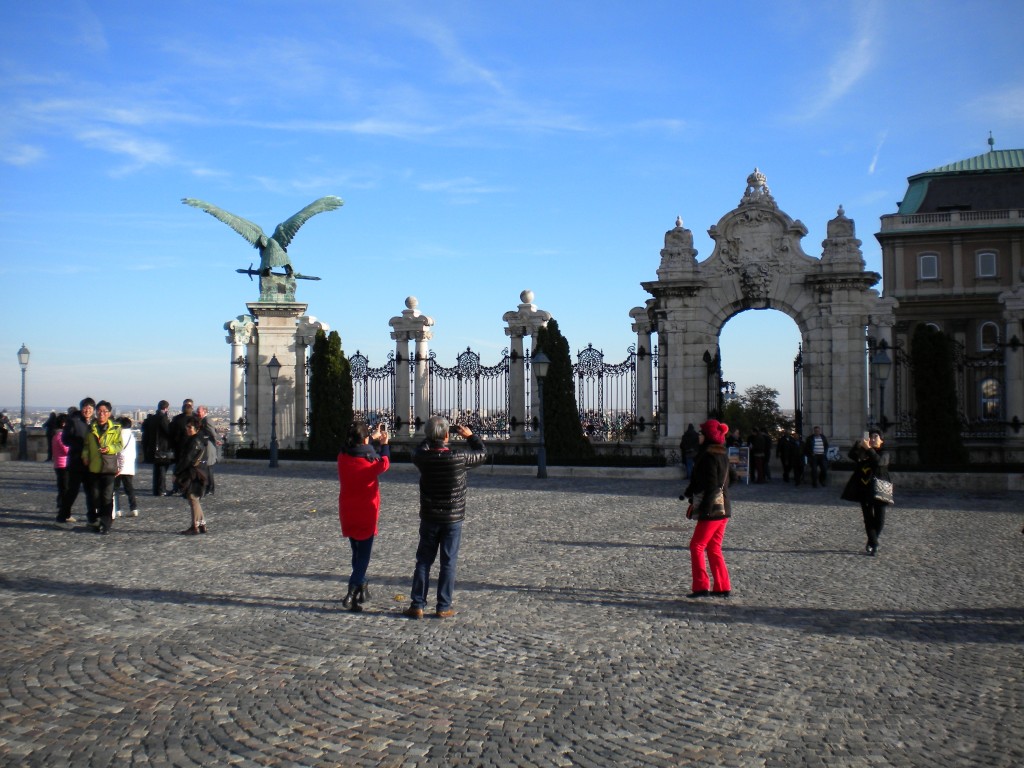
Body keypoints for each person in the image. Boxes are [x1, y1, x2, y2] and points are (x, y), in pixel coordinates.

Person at [403, 416, 487, 619]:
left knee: (423, 561)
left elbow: (419, 449)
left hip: (429, 516)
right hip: (452, 518)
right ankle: (443, 606)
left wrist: (432, 436)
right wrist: (471, 436)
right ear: (447, 435)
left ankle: (417, 604)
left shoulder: (422, 457)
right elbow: (482, 453)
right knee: (448, 562)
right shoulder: (459, 457)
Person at [337, 422, 391, 612]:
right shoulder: (371, 462)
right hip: (366, 510)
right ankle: (352, 591)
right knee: (364, 555)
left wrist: (371, 438)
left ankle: (362, 586)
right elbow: (385, 462)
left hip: (347, 510)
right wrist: (384, 444)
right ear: (365, 440)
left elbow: (357, 448)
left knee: (356, 551)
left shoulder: (343, 457)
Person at [682, 419, 734, 598]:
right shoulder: (722, 454)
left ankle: (701, 586)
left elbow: (711, 486)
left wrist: (704, 508)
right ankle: (722, 586)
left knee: (696, 545)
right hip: (724, 508)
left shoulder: (708, 456)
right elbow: (732, 478)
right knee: (714, 547)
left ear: (708, 436)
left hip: (712, 510)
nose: (699, 436)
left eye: (702, 433)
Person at [843, 430, 892, 556]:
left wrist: (869, 449)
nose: (873, 439)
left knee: (880, 519)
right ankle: (874, 544)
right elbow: (852, 455)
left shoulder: (884, 453)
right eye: (871, 437)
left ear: (882, 440)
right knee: (868, 518)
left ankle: (871, 540)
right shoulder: (863, 453)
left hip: (880, 489)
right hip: (864, 489)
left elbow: (879, 462)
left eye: (876, 436)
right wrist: (858, 444)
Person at [83, 401, 123, 535]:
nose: (101, 414)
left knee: (107, 496)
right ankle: (98, 518)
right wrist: (85, 455)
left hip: (109, 466)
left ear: (109, 413)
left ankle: (106, 523)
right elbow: (86, 445)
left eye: (104, 411)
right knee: (95, 495)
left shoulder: (116, 428)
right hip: (94, 466)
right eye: (99, 411)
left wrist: (109, 448)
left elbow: (119, 445)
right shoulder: (91, 428)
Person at [57, 398, 96, 524]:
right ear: (81, 408)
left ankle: (92, 518)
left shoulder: (95, 422)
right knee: (72, 491)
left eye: (90, 408)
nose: (87, 410)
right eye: (85, 407)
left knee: (91, 492)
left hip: (91, 463)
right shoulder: (74, 421)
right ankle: (62, 515)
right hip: (76, 461)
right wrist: (81, 445)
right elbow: (65, 440)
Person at [174, 416, 209, 535]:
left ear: (196, 428)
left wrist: (177, 472)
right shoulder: (201, 439)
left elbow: (187, 459)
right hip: (200, 471)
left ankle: (195, 526)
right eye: (187, 427)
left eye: (190, 427)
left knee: (193, 498)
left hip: (193, 473)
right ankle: (202, 524)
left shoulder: (194, 441)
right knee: (194, 499)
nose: (187, 429)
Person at [142, 400, 173, 496]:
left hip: (152, 447)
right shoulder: (163, 418)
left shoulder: (152, 418)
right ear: (166, 408)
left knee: (157, 470)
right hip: (162, 448)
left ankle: (156, 489)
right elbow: (168, 432)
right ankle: (161, 489)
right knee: (162, 469)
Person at [115, 416, 139, 517]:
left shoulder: (117, 436)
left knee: (115, 489)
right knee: (129, 488)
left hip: (117, 465)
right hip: (129, 466)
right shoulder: (131, 436)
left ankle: (117, 509)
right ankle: (134, 508)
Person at [196, 405, 220, 495]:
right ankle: (207, 487)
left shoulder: (207, 420)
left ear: (204, 411)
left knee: (209, 468)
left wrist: (216, 441)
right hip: (205, 445)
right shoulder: (202, 420)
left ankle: (210, 488)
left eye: (199, 411)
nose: (197, 413)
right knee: (206, 468)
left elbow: (212, 432)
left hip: (209, 446)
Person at [52, 414, 70, 515]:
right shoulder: (61, 435)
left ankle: (62, 507)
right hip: (63, 464)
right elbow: (66, 450)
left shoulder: (56, 435)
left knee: (63, 487)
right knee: (65, 489)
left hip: (59, 464)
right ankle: (64, 510)